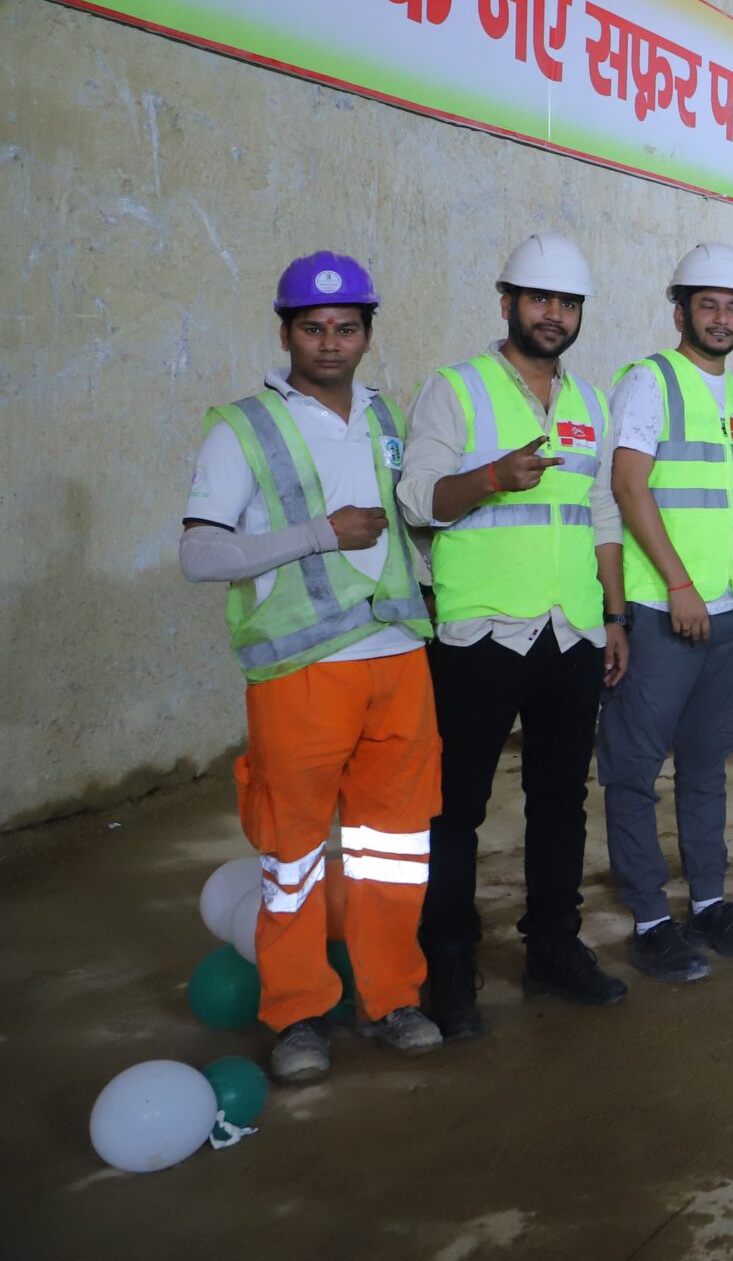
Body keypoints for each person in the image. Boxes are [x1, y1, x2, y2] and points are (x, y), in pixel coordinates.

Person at [183, 252, 441, 1082]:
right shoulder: (243, 426)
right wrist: (321, 532)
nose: (330, 342)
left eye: (346, 327)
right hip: (300, 670)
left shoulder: (384, 416)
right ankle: (297, 1013)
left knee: (392, 849)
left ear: (367, 331)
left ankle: (392, 996)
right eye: (312, 327)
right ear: (285, 329)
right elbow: (198, 552)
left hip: (399, 659)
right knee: (291, 855)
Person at [398, 234, 630, 1040]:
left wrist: (615, 612)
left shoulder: (590, 403)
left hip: (569, 631)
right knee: (455, 807)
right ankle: (449, 964)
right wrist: (493, 474)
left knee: (560, 801)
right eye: (540, 299)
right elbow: (418, 499)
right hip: (479, 634)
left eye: (567, 303)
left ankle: (553, 949)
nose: (554, 315)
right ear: (507, 303)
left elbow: (602, 513)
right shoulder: (455, 391)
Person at [599, 243, 733, 983]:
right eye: (708, 305)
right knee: (633, 770)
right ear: (681, 311)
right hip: (664, 610)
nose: (722, 318)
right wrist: (677, 584)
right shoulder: (650, 381)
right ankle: (650, 918)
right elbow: (629, 487)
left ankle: (708, 902)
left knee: (706, 768)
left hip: (730, 615)